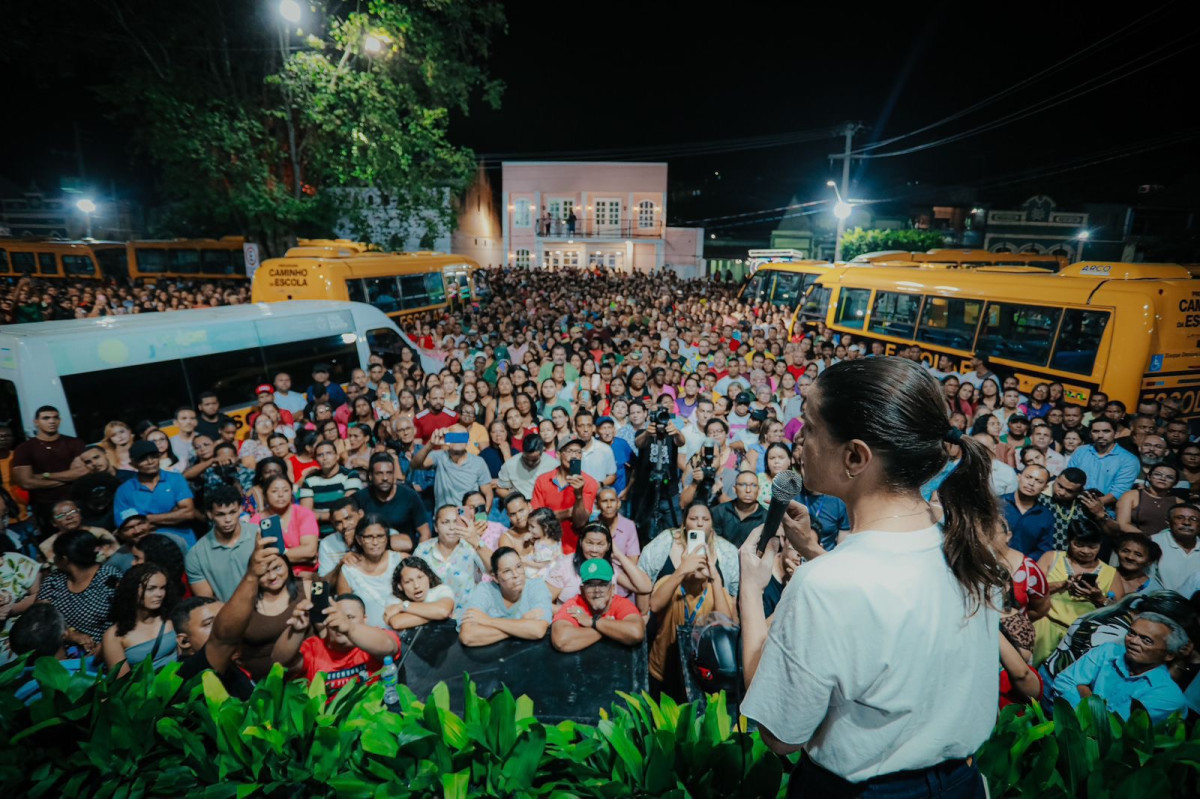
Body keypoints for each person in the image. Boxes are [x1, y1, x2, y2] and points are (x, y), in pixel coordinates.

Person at [739, 357, 1005, 795]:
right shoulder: (971, 551)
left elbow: (780, 735)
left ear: (855, 456)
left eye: (808, 427)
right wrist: (812, 551)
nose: (798, 440)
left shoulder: (826, 586)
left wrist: (751, 590)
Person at [648, 512, 737, 699]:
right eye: (692, 556)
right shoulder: (669, 581)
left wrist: (715, 578)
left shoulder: (716, 589)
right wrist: (681, 570)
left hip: (699, 677)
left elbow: (725, 624)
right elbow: (655, 606)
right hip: (663, 672)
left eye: (703, 556)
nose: (698, 561)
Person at [1055, 614, 1189, 725]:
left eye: (1146, 640)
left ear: (1169, 654)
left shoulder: (1169, 696)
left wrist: (1083, 689)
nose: (1134, 641)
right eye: (1131, 633)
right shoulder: (1108, 651)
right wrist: (1094, 706)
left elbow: (1113, 728)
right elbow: (1063, 681)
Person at [1033, 518, 1116, 665]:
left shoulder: (1111, 573)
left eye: (1092, 546)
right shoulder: (1051, 558)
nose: (1085, 551)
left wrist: (1099, 598)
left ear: (1100, 545)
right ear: (1069, 540)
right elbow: (1031, 590)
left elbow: (1117, 611)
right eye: (1079, 544)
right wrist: (1061, 585)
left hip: (1080, 637)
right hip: (1044, 628)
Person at [36, 529, 122, 655]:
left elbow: (127, 619)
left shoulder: (110, 578)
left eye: (55, 556)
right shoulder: (54, 579)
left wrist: (104, 648)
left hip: (107, 649)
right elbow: (39, 617)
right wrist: (69, 634)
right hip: (62, 650)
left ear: (64, 559)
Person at [10, 405, 87, 532]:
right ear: (36, 422)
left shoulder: (74, 443)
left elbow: (82, 471)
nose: (52, 421)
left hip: (77, 500)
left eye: (55, 417)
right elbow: (26, 482)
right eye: (46, 418)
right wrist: (69, 478)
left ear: (60, 420)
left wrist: (44, 475)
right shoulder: (24, 449)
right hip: (45, 506)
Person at [457, 547, 553, 646]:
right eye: (507, 571)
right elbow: (467, 636)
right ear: (495, 578)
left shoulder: (537, 586)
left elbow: (538, 630)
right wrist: (522, 624)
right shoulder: (485, 589)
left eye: (519, 566)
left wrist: (488, 621)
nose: (516, 574)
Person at [113, 440, 198, 548]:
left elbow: (188, 514)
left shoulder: (175, 478)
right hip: (147, 547)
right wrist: (173, 514)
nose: (150, 462)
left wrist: (146, 518)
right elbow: (129, 530)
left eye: (154, 456)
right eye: (143, 459)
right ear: (133, 463)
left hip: (185, 542)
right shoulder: (124, 491)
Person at [550, 558, 645, 653]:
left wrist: (593, 622)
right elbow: (561, 641)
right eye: (590, 585)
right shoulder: (575, 605)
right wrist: (610, 629)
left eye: (603, 584)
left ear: (612, 589)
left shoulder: (620, 603)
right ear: (582, 591)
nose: (597, 591)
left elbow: (636, 633)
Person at [100, 563, 180, 676]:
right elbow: (121, 684)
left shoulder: (171, 617)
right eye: (151, 589)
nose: (159, 594)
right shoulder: (114, 635)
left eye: (163, 588)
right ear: (132, 590)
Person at [545, 521, 650, 604]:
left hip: (603, 624)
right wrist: (570, 613)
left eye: (600, 544)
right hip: (570, 625)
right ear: (581, 542)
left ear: (609, 546)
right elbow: (543, 603)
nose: (594, 550)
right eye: (589, 543)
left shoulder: (611, 566)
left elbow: (645, 587)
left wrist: (619, 555)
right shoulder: (565, 565)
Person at [186, 486, 258, 601]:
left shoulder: (259, 535)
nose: (228, 519)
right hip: (228, 616)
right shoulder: (196, 555)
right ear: (210, 514)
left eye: (232, 512)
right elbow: (207, 602)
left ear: (240, 509)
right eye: (221, 514)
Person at [531, 437, 597, 554]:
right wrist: (568, 513)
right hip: (546, 547)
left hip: (574, 548)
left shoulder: (589, 482)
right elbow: (536, 520)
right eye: (569, 451)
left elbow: (580, 522)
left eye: (578, 452)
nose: (574, 456)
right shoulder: (543, 480)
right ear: (558, 454)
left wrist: (579, 496)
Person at [336, 516, 405, 628]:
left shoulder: (400, 561)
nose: (375, 542)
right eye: (368, 537)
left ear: (387, 538)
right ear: (359, 540)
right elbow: (344, 612)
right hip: (366, 638)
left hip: (405, 635)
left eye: (380, 536)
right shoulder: (349, 570)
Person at [357, 453, 431, 553]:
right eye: (379, 473)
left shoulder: (410, 496)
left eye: (389, 473)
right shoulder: (360, 498)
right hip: (372, 555)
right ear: (370, 476)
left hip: (405, 553)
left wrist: (418, 558)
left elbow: (425, 533)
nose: (385, 478)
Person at [249, 474, 320, 576]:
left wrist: (273, 555)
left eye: (286, 490)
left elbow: (309, 551)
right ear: (265, 494)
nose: (281, 494)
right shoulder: (256, 520)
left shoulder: (304, 513)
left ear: (291, 492)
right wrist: (297, 557)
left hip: (305, 574)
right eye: (274, 491)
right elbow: (258, 558)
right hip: (272, 576)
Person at [413, 504, 487, 601]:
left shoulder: (471, 547)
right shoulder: (422, 550)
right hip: (432, 611)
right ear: (436, 527)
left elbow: (494, 570)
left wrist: (477, 542)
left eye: (456, 522)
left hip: (466, 613)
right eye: (446, 522)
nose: (452, 527)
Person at [409, 425, 493, 510]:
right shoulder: (439, 456)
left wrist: (481, 518)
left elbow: (488, 494)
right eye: (453, 436)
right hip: (445, 517)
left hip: (469, 516)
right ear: (447, 440)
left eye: (462, 436)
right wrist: (430, 444)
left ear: (468, 440)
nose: (458, 440)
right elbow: (415, 464)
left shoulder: (478, 462)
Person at [1067, 419, 1140, 508]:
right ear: (1090, 434)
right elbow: (1068, 477)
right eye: (1096, 431)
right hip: (1073, 505)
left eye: (1106, 431)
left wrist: (1090, 505)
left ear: (1116, 434)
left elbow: (1118, 492)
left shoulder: (1129, 460)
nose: (1100, 435)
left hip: (1106, 511)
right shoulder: (1081, 451)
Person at [298, 440, 364, 539]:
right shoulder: (309, 480)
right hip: (319, 535)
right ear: (316, 459)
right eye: (320, 455)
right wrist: (335, 515)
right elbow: (306, 514)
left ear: (337, 456)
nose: (325, 458)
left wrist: (319, 515)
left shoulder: (350, 475)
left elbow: (348, 509)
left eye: (329, 453)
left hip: (347, 533)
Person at [384, 556, 457, 630]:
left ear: (428, 576)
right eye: (408, 582)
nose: (416, 585)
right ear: (400, 586)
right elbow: (397, 623)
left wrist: (403, 606)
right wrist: (435, 614)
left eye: (420, 577)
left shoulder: (441, 590)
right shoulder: (394, 598)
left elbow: (443, 611)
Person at [1001, 464, 1056, 560]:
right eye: (1028, 477)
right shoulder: (998, 503)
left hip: (1022, 568)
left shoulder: (1045, 516)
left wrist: (1022, 562)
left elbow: (1043, 549)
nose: (1031, 483)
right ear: (1019, 477)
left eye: (1038, 481)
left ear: (1045, 487)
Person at [1115, 464, 1182, 537]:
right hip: (1136, 540)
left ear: (1175, 482)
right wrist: (1149, 539)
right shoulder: (1131, 495)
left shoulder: (1179, 502)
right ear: (1149, 477)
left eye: (1169, 477)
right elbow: (1123, 524)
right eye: (1158, 474)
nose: (1163, 478)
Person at [1149, 504, 1200, 592]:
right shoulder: (1154, 542)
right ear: (1168, 522)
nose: (1187, 523)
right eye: (1180, 517)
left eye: (1193, 519)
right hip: (1161, 601)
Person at [711, 470, 768, 548]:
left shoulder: (766, 518)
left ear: (759, 490)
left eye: (754, 485)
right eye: (743, 485)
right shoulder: (719, 511)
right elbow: (712, 543)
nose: (748, 490)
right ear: (734, 489)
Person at [495, 433, 558, 501]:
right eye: (527, 459)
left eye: (534, 460)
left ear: (542, 451)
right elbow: (500, 489)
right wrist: (516, 498)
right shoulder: (510, 464)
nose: (530, 463)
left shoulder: (553, 465)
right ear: (523, 450)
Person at [1110, 533, 1161, 600]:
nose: (1130, 557)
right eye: (1125, 551)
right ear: (1117, 551)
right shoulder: (1103, 573)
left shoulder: (1154, 590)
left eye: (1138, 555)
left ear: (1149, 561)